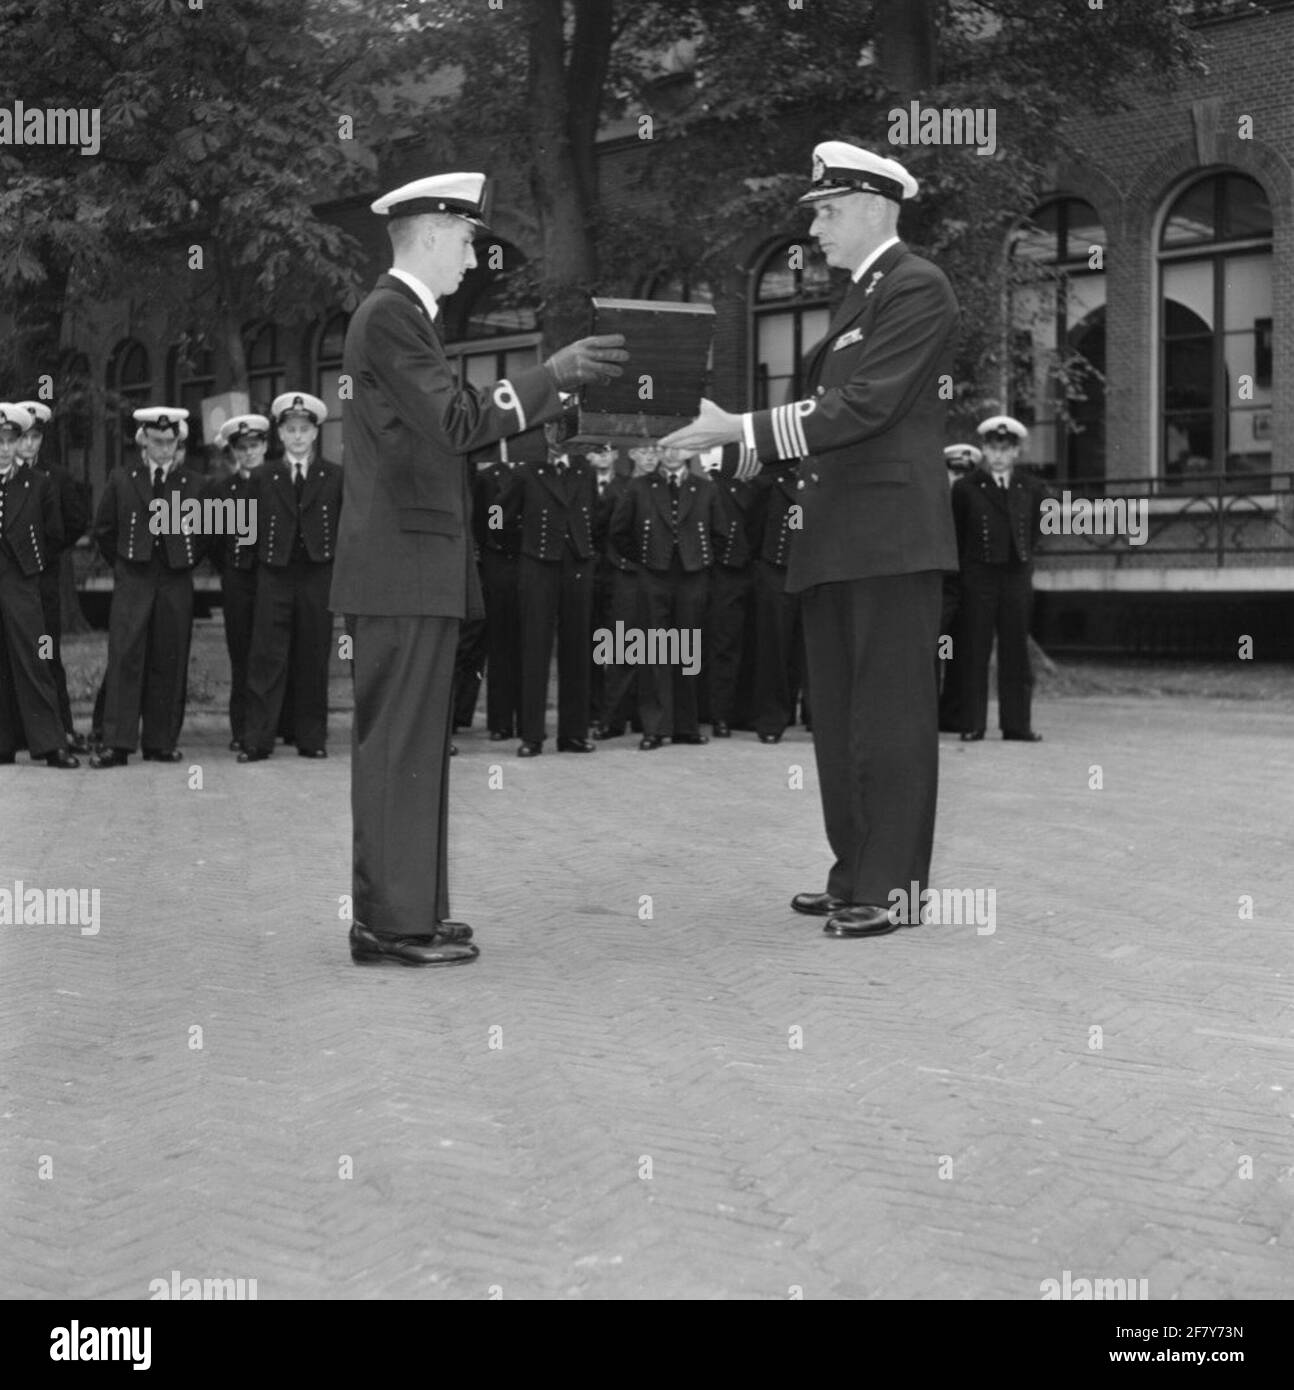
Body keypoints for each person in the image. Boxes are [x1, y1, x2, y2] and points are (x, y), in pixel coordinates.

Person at [329, 170, 626, 968]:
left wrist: (561, 416)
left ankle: (413, 908)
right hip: (401, 566)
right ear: (427, 234)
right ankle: (388, 925)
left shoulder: (405, 320)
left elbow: (451, 441)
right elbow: (460, 419)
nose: (472, 259)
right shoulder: (392, 316)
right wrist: (552, 373)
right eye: (465, 241)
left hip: (411, 563)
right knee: (399, 746)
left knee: (420, 744)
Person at [663, 140, 959, 939]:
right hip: (834, 538)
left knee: (888, 716)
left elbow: (865, 407)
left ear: (872, 208)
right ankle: (854, 872)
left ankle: (891, 889)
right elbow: (815, 430)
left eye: (827, 212)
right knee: (839, 715)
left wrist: (744, 424)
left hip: (890, 542)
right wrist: (710, 443)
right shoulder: (859, 298)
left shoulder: (916, 287)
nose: (816, 229)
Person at [90, 407, 206, 768]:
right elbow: (104, 531)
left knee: (168, 658)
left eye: (171, 441)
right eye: (158, 441)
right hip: (134, 579)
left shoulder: (192, 484)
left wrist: (181, 562)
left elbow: (204, 535)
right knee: (126, 657)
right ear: (143, 441)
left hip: (175, 581)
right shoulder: (122, 479)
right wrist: (126, 565)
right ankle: (117, 743)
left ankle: (161, 741)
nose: (165, 448)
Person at [238, 392, 342, 762]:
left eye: (304, 429)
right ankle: (258, 739)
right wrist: (250, 571)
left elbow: (345, 528)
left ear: (315, 433)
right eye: (291, 429)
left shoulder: (334, 476)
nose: (298, 436)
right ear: (280, 434)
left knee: (313, 656)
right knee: (266, 657)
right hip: (274, 573)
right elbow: (246, 527)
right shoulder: (264, 476)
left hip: (317, 573)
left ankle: (311, 738)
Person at [608, 445, 726, 750]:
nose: (672, 454)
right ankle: (655, 727)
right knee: (655, 651)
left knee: (687, 650)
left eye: (679, 447)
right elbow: (619, 532)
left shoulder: (704, 488)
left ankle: (687, 725)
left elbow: (720, 533)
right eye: (665, 448)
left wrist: (700, 561)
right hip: (653, 574)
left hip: (692, 575)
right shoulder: (639, 487)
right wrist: (646, 560)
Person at [499, 420, 598, 757]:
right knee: (534, 650)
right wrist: (522, 548)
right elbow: (499, 515)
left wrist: (584, 548)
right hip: (538, 565)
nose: (557, 437)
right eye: (551, 429)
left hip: (577, 565)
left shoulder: (584, 469)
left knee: (577, 651)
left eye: (564, 430)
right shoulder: (526, 470)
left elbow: (594, 516)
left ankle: (573, 734)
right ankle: (532, 735)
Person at [951, 416, 1049, 743]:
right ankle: (972, 723)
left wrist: (1023, 558)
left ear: (1017, 452)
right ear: (983, 449)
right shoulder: (966, 488)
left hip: (1016, 575)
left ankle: (1017, 724)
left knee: (1015, 651)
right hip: (980, 576)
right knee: (974, 649)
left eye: (1005, 450)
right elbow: (959, 533)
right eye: (992, 449)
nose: (998, 456)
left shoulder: (1031, 487)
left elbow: (1035, 529)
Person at [0, 403, 78, 768]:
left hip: (21, 580)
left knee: (35, 660)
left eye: (10, 439)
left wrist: (29, 565)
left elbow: (54, 533)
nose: (4, 447)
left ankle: (50, 742)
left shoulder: (36, 483)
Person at [15, 400, 89, 752]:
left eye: (36, 437)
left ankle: (61, 728)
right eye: (23, 437)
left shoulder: (55, 476)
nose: (29, 445)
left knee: (46, 653)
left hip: (43, 582)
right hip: (10, 582)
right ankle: (16, 730)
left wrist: (45, 551)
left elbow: (75, 521)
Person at [206, 414, 268, 752]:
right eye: (241, 448)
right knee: (241, 652)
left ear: (265, 446)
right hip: (237, 579)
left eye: (254, 446)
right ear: (233, 451)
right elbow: (214, 540)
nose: (248, 453)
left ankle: (272, 725)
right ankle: (241, 727)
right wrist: (230, 568)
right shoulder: (221, 490)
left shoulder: (277, 481)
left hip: (272, 579)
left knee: (270, 653)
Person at [937, 443, 980, 735]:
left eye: (964, 473)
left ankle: (953, 713)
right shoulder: (933, 501)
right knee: (935, 648)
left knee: (962, 650)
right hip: (939, 584)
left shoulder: (974, 500)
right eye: (954, 472)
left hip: (969, 584)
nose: (958, 479)